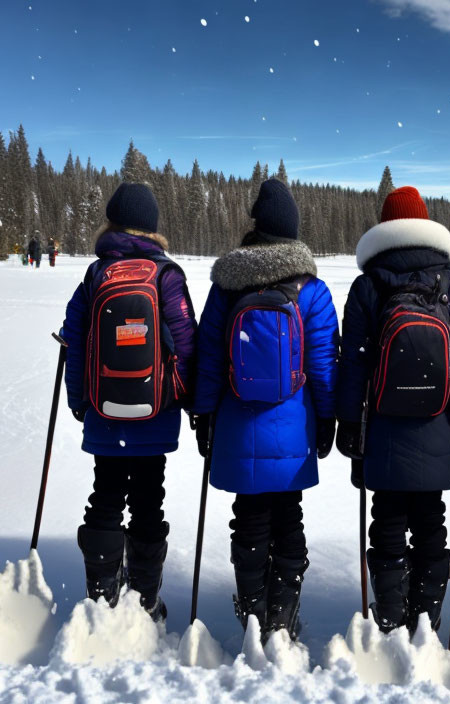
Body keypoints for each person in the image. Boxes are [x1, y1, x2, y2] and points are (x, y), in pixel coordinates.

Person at [192, 178, 338, 641]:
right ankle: (283, 613)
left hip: (237, 421)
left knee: (250, 517)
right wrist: (329, 417)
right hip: (293, 425)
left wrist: (203, 413)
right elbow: (321, 364)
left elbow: (210, 358)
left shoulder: (228, 285)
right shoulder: (311, 289)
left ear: (255, 229)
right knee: (288, 516)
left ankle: (252, 614)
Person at [335, 186, 450, 633]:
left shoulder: (368, 287)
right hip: (437, 423)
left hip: (383, 424)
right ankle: (427, 614)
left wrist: (348, 422)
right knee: (430, 519)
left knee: (388, 517)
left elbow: (354, 363)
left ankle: (389, 615)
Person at [61, 183, 197, 621]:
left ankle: (102, 598)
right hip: (153, 412)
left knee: (104, 494)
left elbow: (76, 341)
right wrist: (184, 401)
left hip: (105, 412)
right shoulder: (166, 275)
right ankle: (144, 600)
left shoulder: (95, 275)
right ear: (152, 228)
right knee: (147, 499)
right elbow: (187, 346)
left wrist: (80, 402)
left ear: (112, 223)